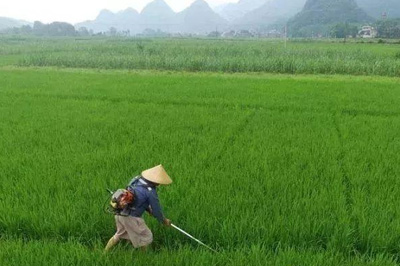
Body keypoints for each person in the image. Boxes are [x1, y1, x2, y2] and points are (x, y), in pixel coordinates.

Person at [104, 164, 173, 252]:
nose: (159, 184)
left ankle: (104, 252)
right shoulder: (150, 191)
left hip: (119, 213)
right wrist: (164, 220)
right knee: (146, 237)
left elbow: (136, 198)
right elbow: (156, 210)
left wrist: (148, 209)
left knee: (118, 234)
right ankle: (144, 258)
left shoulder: (135, 180)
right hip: (131, 218)